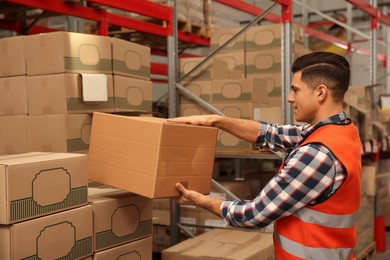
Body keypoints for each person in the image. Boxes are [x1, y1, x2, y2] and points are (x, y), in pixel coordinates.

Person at [167, 51, 362, 260]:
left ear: (320, 93)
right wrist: (218, 121)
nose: (290, 98)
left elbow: (254, 215)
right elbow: (270, 133)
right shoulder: (341, 130)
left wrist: (201, 201)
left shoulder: (316, 154)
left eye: (296, 90)